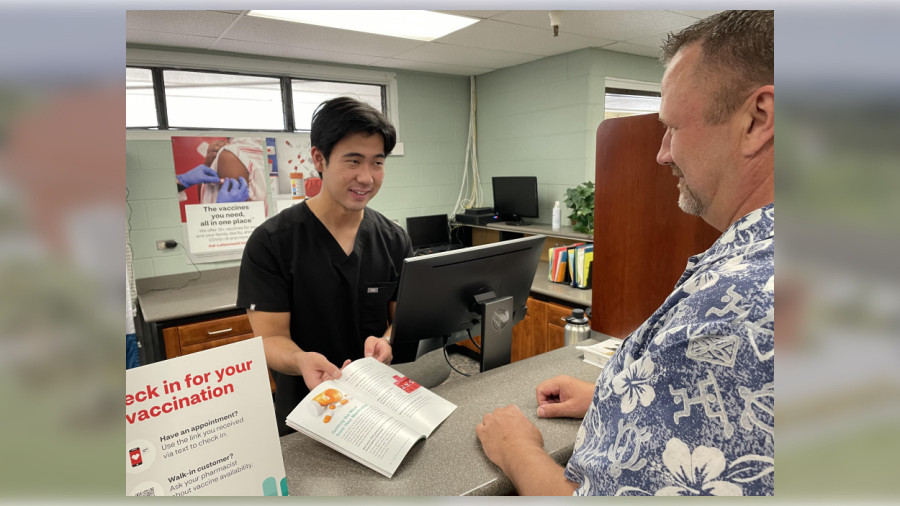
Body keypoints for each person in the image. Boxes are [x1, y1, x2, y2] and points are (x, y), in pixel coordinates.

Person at [476, 10, 774, 496]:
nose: (661, 153)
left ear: (757, 118)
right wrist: (615, 396)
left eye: (673, 127)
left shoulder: (741, 304)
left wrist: (516, 448)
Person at [236, 97, 411, 436]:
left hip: (379, 403)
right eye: (353, 161)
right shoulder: (272, 242)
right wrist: (301, 360)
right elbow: (270, 338)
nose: (367, 177)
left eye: (377, 162)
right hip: (306, 410)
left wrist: (387, 341)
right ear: (319, 158)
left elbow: (398, 318)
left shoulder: (393, 239)